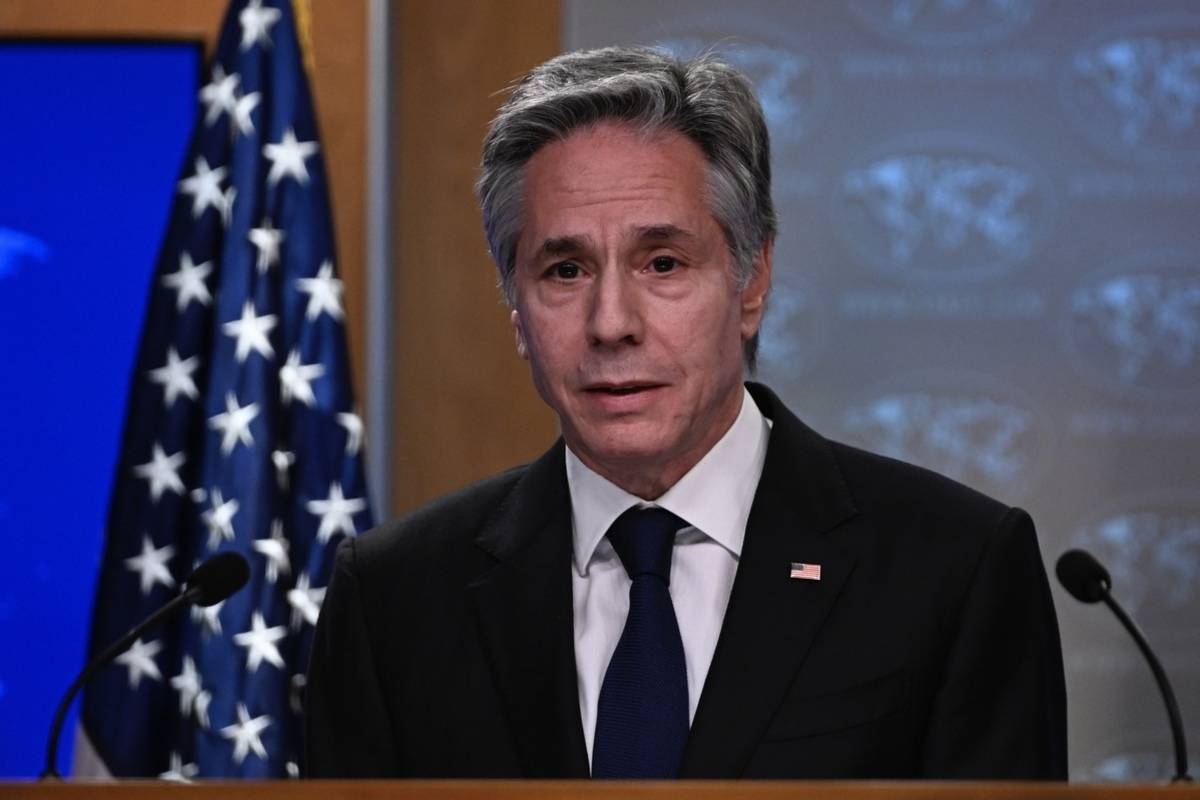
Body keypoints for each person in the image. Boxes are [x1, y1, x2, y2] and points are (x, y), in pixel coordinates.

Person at [304, 46, 1067, 780]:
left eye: (662, 262)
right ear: (516, 309)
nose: (611, 324)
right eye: (564, 271)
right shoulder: (395, 600)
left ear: (752, 280)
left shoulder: (952, 569)